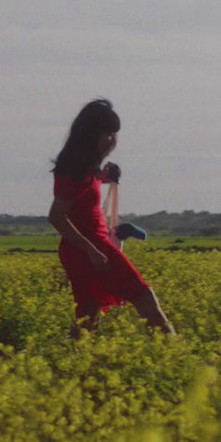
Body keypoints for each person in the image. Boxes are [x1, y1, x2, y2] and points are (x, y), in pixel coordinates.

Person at [48, 99, 174, 337]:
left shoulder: (85, 168)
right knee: (143, 295)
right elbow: (56, 217)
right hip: (89, 248)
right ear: (91, 134)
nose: (112, 141)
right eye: (107, 134)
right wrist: (91, 251)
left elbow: (82, 195)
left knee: (88, 316)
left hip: (90, 248)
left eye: (115, 135)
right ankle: (177, 356)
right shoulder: (76, 172)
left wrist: (103, 177)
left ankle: (70, 365)